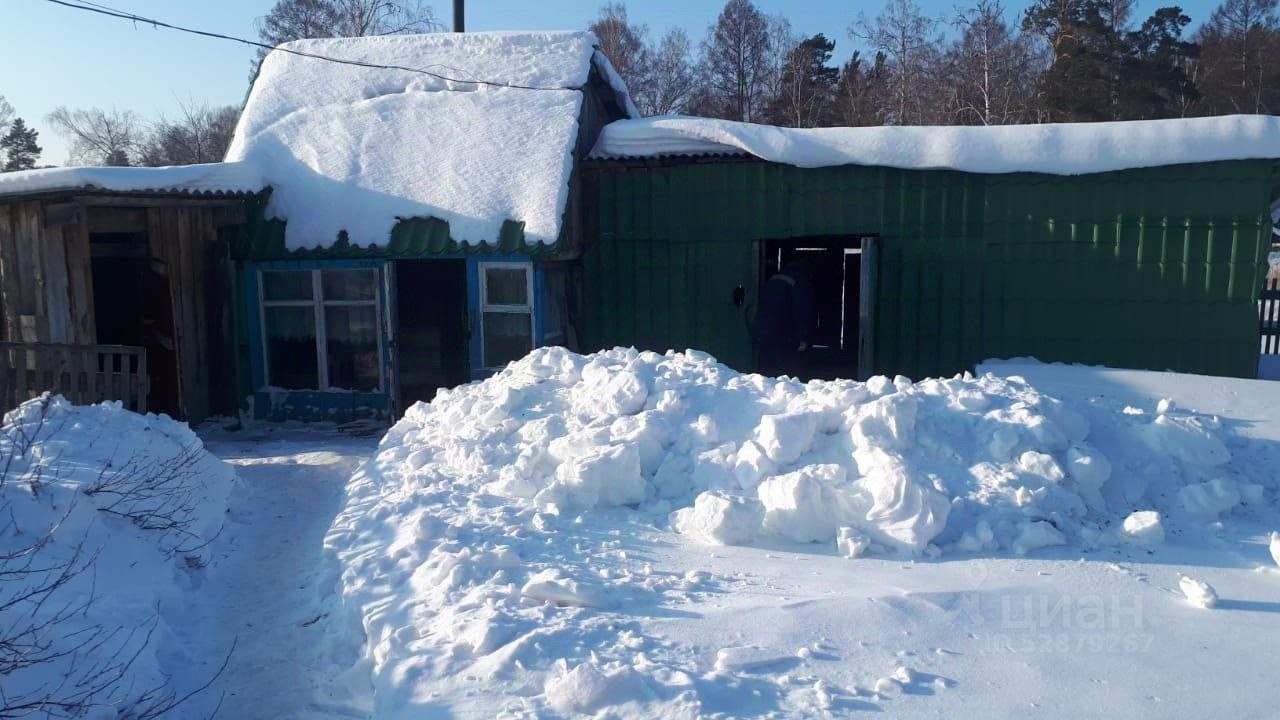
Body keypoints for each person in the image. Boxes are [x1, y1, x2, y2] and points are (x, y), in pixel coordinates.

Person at [754, 259, 815, 378]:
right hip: (786, 329)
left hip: (766, 327)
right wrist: (803, 337)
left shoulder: (772, 279)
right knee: (788, 364)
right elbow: (801, 309)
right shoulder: (800, 280)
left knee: (769, 363)